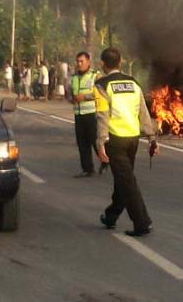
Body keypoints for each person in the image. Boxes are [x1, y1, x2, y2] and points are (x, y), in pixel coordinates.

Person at [95, 47, 158, 237]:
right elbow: (143, 112)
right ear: (120, 62)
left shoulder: (101, 85)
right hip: (133, 139)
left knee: (127, 182)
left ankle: (142, 223)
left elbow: (102, 116)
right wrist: (151, 136)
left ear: (102, 64)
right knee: (124, 179)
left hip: (115, 140)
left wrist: (100, 142)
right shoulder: (133, 83)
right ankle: (111, 216)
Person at [69, 51, 100, 178]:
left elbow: (101, 94)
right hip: (78, 113)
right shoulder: (74, 77)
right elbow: (71, 93)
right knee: (82, 143)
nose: (79, 64)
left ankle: (106, 161)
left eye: (82, 61)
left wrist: (85, 97)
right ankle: (87, 168)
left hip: (91, 113)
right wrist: (72, 98)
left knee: (95, 141)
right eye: (78, 61)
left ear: (88, 62)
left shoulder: (95, 76)